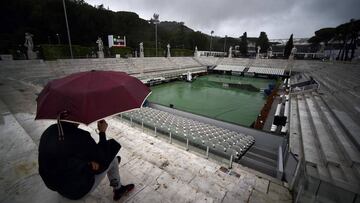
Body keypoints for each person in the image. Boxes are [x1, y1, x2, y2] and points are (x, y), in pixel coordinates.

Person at [38, 119, 134, 201]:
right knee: (112, 159)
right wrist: (102, 132)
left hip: (57, 186)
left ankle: (114, 170)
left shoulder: (48, 132)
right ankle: (118, 189)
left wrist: (86, 162)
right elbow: (102, 158)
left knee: (102, 159)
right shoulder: (80, 136)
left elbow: (65, 157)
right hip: (76, 191)